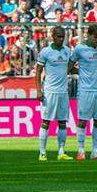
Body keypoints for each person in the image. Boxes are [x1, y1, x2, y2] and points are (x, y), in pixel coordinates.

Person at [35, 26, 73, 161]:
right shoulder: (46, 52)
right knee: (46, 122)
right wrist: (39, 90)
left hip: (63, 92)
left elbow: (69, 68)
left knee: (62, 122)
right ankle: (42, 152)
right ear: (52, 36)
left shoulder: (67, 51)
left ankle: (61, 152)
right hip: (49, 92)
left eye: (63, 36)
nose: (61, 39)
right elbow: (38, 71)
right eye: (58, 36)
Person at [71, 24, 97, 160]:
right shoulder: (80, 49)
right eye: (96, 37)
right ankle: (81, 151)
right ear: (89, 35)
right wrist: (80, 72)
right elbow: (70, 65)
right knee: (83, 121)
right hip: (85, 90)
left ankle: (95, 151)